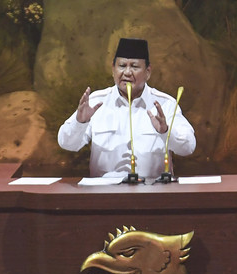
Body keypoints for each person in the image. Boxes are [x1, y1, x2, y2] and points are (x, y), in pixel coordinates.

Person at [58, 38, 196, 179]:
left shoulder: (165, 104)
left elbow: (188, 147)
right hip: (104, 194)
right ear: (113, 69)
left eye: (135, 67)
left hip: (152, 193)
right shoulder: (96, 102)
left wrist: (166, 132)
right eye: (122, 66)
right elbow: (67, 144)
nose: (127, 72)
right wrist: (80, 122)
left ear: (148, 72)